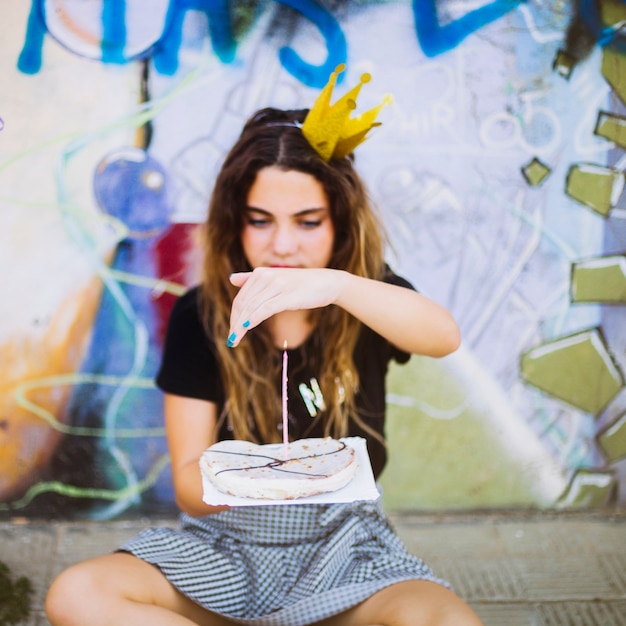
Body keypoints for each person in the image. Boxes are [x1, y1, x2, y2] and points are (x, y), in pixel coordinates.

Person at [46, 70, 484, 626]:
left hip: (344, 551)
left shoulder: (364, 296)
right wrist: (256, 479)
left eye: (308, 222)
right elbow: (187, 485)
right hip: (225, 553)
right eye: (261, 221)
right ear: (235, 225)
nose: (282, 246)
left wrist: (337, 286)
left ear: (340, 224)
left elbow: (443, 336)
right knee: (76, 595)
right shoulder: (201, 314)